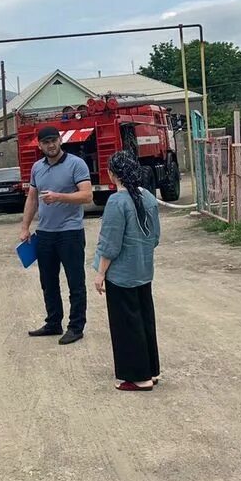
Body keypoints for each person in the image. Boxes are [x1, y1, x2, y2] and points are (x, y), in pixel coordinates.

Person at [93, 151, 162, 392]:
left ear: (112, 174)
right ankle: (151, 370)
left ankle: (137, 376)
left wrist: (100, 273)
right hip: (143, 269)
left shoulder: (117, 202)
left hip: (121, 274)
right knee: (144, 320)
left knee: (126, 325)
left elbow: (110, 243)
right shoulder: (149, 198)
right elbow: (155, 238)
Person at [19, 125, 94, 346]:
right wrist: (25, 227)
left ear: (60, 141)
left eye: (54, 140)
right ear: (39, 145)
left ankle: (76, 327)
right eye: (46, 142)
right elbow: (32, 199)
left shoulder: (76, 164)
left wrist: (59, 196)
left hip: (70, 232)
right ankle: (53, 322)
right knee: (48, 282)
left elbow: (87, 195)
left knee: (75, 282)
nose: (51, 145)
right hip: (45, 234)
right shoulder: (36, 168)